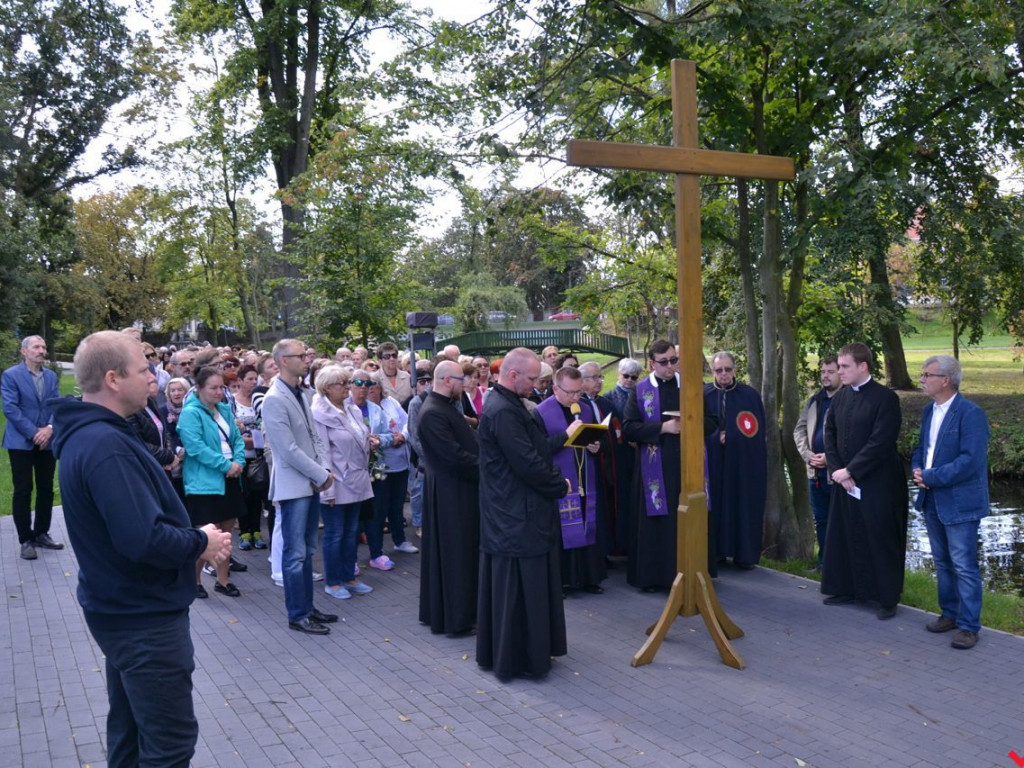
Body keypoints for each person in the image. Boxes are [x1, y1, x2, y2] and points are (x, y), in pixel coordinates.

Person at [50, 331, 232, 767]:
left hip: (125, 609)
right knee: (169, 743)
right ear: (113, 379)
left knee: (131, 732)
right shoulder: (105, 445)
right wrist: (201, 541)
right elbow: (143, 539)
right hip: (142, 619)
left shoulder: (100, 435)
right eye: (143, 369)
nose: (153, 377)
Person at [476, 347, 576, 681]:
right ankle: (518, 658)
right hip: (514, 515)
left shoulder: (514, 403)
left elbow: (535, 449)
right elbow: (527, 463)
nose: (537, 384)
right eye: (533, 378)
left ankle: (533, 651)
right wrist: (558, 485)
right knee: (518, 590)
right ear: (513, 374)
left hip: (522, 512)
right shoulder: (503, 410)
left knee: (531, 586)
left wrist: (564, 437)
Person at [822, 342, 907, 620]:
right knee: (845, 533)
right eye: (839, 366)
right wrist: (838, 471)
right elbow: (829, 434)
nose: (840, 371)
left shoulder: (885, 398)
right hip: (844, 482)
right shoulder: (841, 397)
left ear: (863, 366)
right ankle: (847, 588)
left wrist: (852, 471)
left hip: (877, 483)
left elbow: (881, 441)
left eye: (845, 366)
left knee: (879, 537)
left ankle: (886, 598)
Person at [911, 355, 989, 649]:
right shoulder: (929, 411)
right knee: (943, 562)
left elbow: (970, 461)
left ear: (945, 380)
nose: (922, 379)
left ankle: (969, 626)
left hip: (959, 502)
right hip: (931, 497)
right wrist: (918, 470)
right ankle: (950, 614)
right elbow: (921, 447)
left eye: (927, 375)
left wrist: (932, 476)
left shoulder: (971, 414)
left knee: (964, 565)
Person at [261, 339, 338, 634]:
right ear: (282, 360)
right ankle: (297, 614)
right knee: (294, 555)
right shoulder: (274, 399)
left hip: (310, 482)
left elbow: (314, 436)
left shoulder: (302, 392)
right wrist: (321, 475)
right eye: (300, 356)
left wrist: (324, 469)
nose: (306, 360)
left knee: (306, 549)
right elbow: (287, 450)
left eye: (306, 354)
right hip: (294, 487)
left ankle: (308, 607)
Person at [417, 360, 480, 636]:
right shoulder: (432, 413)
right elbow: (453, 457)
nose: (464, 384)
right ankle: (456, 618)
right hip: (450, 493)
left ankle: (462, 613)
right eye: (460, 379)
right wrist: (488, 467)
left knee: (461, 553)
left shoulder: (445, 407)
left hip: (457, 489)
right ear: (446, 380)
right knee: (455, 555)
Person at [177, 366, 247, 599]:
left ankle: (223, 579)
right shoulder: (190, 413)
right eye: (213, 388)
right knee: (205, 535)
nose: (219, 393)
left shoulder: (225, 410)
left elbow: (237, 439)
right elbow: (196, 448)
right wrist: (226, 465)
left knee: (226, 533)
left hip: (230, 479)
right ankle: (195, 580)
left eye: (221, 388)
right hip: (205, 483)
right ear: (199, 388)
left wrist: (238, 462)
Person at [536, 366, 606, 594]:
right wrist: (566, 435)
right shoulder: (540, 412)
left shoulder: (584, 409)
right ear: (556, 388)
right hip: (561, 481)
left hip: (585, 476)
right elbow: (539, 449)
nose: (576, 397)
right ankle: (564, 580)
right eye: (571, 393)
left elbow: (594, 440)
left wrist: (596, 445)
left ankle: (588, 577)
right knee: (563, 529)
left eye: (579, 392)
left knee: (588, 521)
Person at [621, 340, 682, 590]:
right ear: (652, 363)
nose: (670, 366)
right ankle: (653, 577)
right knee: (656, 523)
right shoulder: (641, 390)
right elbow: (629, 428)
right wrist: (662, 428)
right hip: (652, 468)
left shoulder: (690, 387)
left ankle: (687, 571)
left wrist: (692, 424)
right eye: (664, 362)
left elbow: (711, 421)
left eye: (673, 360)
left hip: (685, 468)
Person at [311, 365, 375, 600]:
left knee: (351, 531)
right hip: (335, 482)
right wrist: (326, 489)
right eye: (343, 384)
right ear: (327, 388)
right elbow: (322, 452)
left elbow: (360, 439)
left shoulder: (352, 409)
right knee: (335, 532)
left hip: (356, 479)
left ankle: (350, 576)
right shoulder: (319, 414)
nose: (348, 388)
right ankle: (333, 580)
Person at [703, 351, 767, 572]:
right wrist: (715, 439)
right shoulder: (703, 394)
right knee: (715, 506)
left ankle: (744, 554)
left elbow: (757, 432)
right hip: (711, 463)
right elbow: (695, 429)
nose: (723, 374)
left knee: (742, 503)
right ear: (712, 371)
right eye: (719, 370)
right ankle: (717, 553)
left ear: (735, 370)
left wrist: (732, 437)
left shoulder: (749, 395)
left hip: (742, 463)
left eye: (728, 370)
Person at [3, 335, 62, 560]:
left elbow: (56, 405)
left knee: (46, 489)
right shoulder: (11, 375)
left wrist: (49, 428)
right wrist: (34, 432)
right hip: (21, 442)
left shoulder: (50, 376)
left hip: (47, 440)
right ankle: (25, 539)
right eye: (36, 347)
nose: (41, 350)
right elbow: (10, 408)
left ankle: (41, 533)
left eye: (44, 347)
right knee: (23, 490)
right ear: (24, 351)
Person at [794, 356, 842, 568]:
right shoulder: (815, 401)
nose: (825, 376)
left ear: (841, 373)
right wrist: (808, 455)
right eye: (823, 372)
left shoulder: (847, 401)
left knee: (839, 522)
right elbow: (799, 430)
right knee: (821, 521)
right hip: (814, 474)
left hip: (838, 475)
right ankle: (824, 564)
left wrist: (830, 460)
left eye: (830, 372)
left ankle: (838, 566)